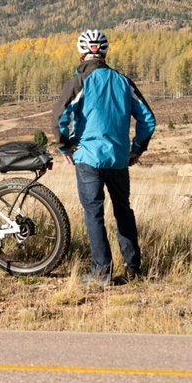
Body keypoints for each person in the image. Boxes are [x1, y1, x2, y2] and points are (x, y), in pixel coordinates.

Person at [52, 29, 156, 284]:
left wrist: (65, 147)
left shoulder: (80, 80)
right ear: (105, 52)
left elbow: (59, 117)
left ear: (81, 52)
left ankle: (101, 272)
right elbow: (148, 119)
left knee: (93, 213)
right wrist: (136, 149)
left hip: (88, 157)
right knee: (123, 211)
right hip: (119, 159)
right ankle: (133, 269)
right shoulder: (123, 81)